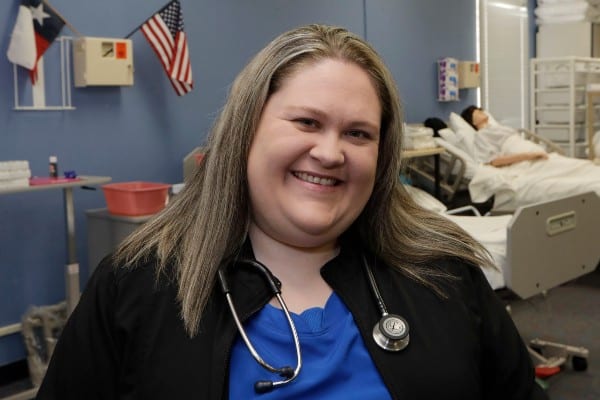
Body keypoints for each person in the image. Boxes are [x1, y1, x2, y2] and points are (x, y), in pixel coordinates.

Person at [36, 25, 547, 399]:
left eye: (358, 133)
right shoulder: (138, 287)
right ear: (246, 133)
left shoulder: (445, 277)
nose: (330, 152)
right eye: (306, 122)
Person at [461, 105, 548, 167]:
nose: (480, 111)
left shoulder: (496, 128)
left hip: (525, 146)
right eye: (476, 112)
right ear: (473, 122)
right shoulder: (481, 135)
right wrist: (529, 156)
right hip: (518, 152)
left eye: (480, 110)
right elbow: (493, 161)